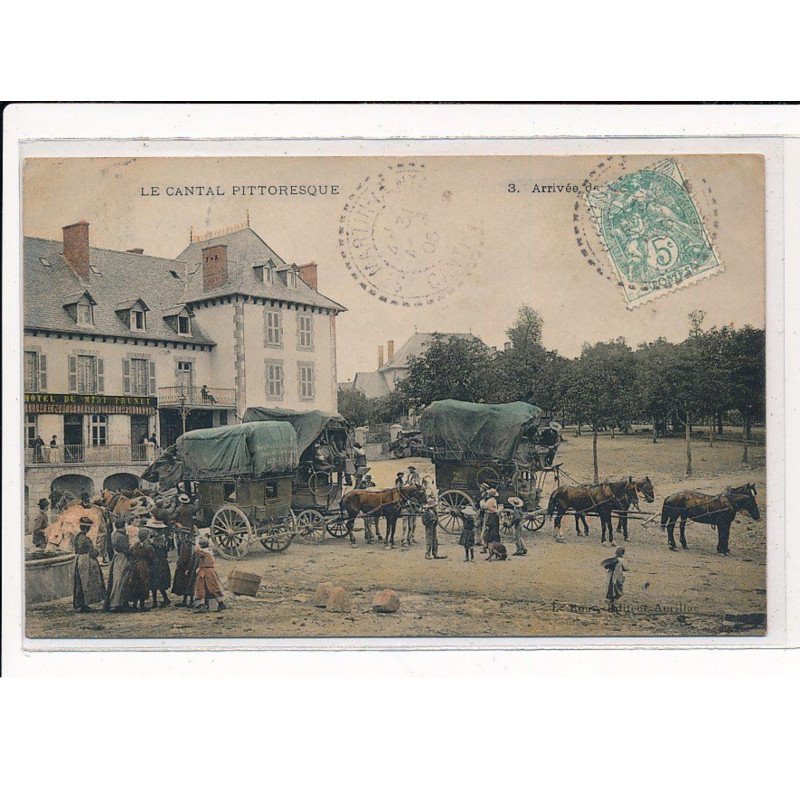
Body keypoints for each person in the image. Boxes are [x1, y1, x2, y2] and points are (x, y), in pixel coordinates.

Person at [72, 517, 106, 612]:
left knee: (79, 582)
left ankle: (80, 604)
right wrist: (97, 550)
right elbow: (93, 552)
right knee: (86, 582)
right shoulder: (86, 539)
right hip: (85, 561)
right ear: (87, 528)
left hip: (78, 559)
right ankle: (84, 604)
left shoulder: (77, 537)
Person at [104, 518, 132, 612]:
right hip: (122, 558)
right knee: (121, 580)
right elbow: (125, 549)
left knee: (117, 580)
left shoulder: (115, 535)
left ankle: (118, 602)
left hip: (117, 558)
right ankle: (118, 603)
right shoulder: (121, 536)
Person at [126, 528, 156, 611]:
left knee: (135, 584)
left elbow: (131, 555)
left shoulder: (135, 546)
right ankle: (142, 605)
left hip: (135, 566)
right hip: (144, 566)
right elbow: (152, 558)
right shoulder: (148, 547)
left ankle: (135, 605)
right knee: (143, 585)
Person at [194, 538, 226, 612]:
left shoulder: (204, 552)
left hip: (206, 572)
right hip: (209, 572)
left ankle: (202, 606)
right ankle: (220, 604)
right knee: (212, 589)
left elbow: (196, 550)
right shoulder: (209, 551)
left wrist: (196, 543)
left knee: (201, 588)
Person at [147, 519, 172, 608]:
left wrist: (151, 542)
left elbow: (160, 547)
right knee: (156, 581)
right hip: (158, 560)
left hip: (159, 561)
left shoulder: (161, 538)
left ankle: (159, 600)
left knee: (157, 580)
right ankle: (162, 599)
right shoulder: (157, 536)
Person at [172, 527, 199, 607]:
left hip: (184, 567)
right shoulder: (192, 544)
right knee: (189, 583)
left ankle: (187, 601)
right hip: (190, 566)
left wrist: (179, 565)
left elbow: (182, 558)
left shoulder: (184, 544)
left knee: (184, 583)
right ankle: (188, 600)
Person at [480, 488, 500, 553]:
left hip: (489, 516)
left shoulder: (490, 500)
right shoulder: (494, 500)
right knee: (491, 532)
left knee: (485, 531)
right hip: (493, 517)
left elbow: (484, 506)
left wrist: (481, 501)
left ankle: (485, 547)